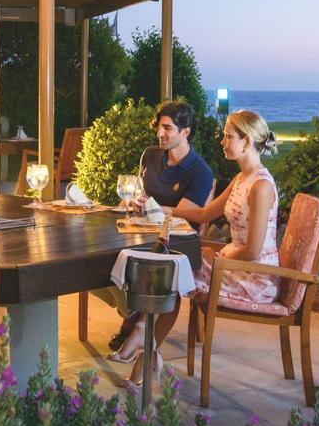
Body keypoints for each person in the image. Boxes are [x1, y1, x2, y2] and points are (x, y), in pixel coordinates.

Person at [112, 109, 279, 388]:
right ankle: (145, 352)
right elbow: (203, 214)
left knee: (173, 271)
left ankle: (142, 343)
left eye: (228, 136)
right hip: (233, 264)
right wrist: (158, 207)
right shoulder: (242, 178)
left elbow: (252, 251)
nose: (222, 141)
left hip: (254, 277)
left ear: (247, 141)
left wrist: (220, 256)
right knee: (172, 268)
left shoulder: (261, 185)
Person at [103, 101, 214, 352]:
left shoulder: (200, 172)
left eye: (167, 128)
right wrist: (132, 202)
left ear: (185, 132)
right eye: (159, 127)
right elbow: (140, 193)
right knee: (103, 253)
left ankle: (139, 331)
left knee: (155, 266)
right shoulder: (151, 155)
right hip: (141, 230)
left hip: (175, 240)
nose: (160, 133)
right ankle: (130, 310)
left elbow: (184, 215)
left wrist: (155, 207)